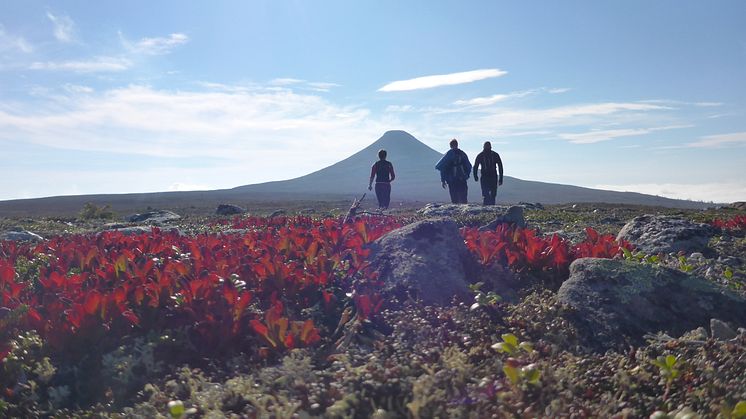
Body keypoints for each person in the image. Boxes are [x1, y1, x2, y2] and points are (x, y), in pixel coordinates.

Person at [435, 139, 472, 204]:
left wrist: (443, 180)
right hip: (462, 179)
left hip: (452, 180)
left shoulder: (449, 154)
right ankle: (464, 212)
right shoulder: (462, 153)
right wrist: (467, 175)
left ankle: (456, 212)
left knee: (454, 199)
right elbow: (469, 166)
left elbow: (440, 166)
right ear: (457, 145)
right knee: (463, 198)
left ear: (450, 146)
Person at [473, 141, 504, 205]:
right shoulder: (481, 155)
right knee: (486, 194)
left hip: (492, 177)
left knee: (492, 194)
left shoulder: (494, 155)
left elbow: (500, 166)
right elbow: (475, 166)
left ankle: (491, 207)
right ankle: (486, 207)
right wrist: (475, 176)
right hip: (486, 177)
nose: (487, 148)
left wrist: (501, 178)